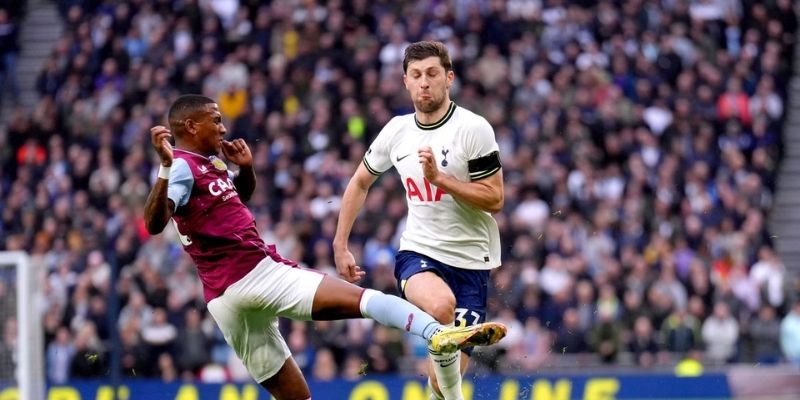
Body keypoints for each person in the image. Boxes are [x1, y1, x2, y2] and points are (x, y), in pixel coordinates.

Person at [143, 94, 507, 399]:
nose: (223, 127)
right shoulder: (181, 167)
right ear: (190, 126)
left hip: (224, 298)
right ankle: (437, 333)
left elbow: (234, 203)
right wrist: (164, 166)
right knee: (363, 300)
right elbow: (154, 223)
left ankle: (440, 334)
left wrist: (247, 170)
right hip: (257, 273)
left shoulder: (208, 165)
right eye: (215, 120)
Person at [334, 41, 504, 400]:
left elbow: (495, 198)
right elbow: (360, 181)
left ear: (449, 79)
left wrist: (442, 180)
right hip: (419, 252)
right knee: (442, 308)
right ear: (406, 82)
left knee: (442, 382)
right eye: (416, 75)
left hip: (472, 263)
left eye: (431, 73)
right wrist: (340, 243)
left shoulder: (473, 129)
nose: (424, 82)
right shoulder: (397, 131)